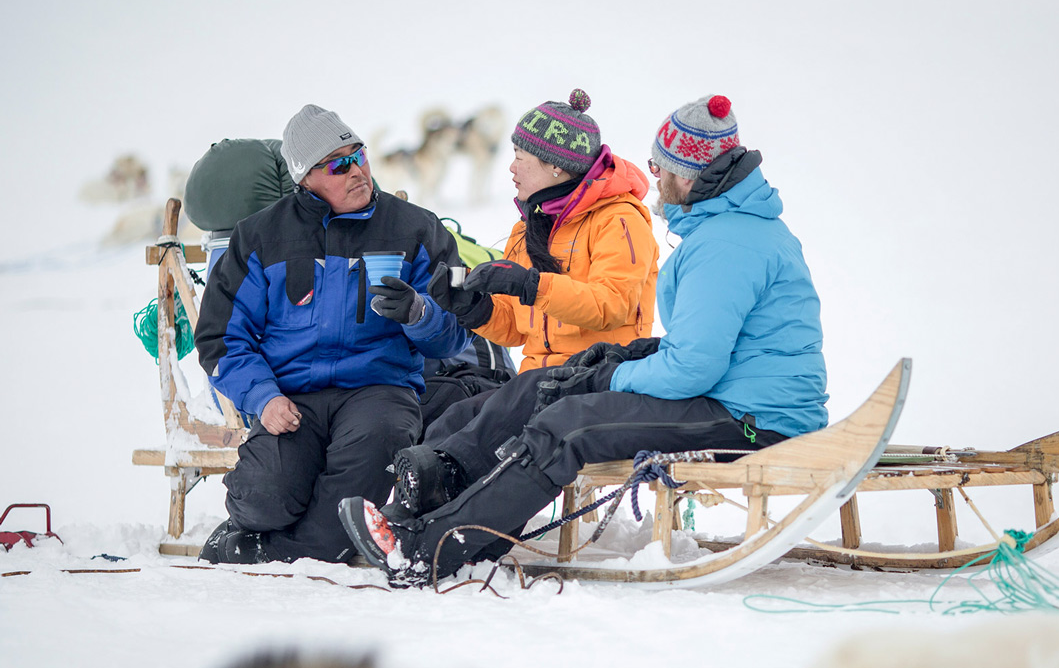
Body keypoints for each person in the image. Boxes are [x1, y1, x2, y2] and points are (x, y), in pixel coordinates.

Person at [338, 95, 829, 587]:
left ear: (688, 174)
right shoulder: (722, 233)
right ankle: (418, 516)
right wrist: (470, 305)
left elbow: (686, 364)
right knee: (521, 400)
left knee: (566, 427)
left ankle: (429, 550)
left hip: (754, 419)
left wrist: (610, 368)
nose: (653, 175)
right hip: (737, 400)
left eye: (661, 167)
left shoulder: (720, 244)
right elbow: (702, 350)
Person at [193, 104, 470, 565]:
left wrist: (421, 314)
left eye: (358, 154)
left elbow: (456, 334)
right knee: (263, 497)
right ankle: (271, 530)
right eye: (337, 164)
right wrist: (263, 397)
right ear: (304, 178)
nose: (357, 170)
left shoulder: (416, 229)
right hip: (290, 397)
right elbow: (221, 340)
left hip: (377, 391)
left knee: (363, 480)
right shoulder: (260, 237)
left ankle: (275, 551)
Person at [417, 88, 658, 450]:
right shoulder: (528, 227)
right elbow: (515, 329)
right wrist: (470, 306)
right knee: (448, 425)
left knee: (471, 442)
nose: (511, 168)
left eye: (520, 157)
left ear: (555, 165)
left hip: (599, 381)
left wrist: (530, 284)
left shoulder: (619, 220)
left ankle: (425, 506)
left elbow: (612, 305)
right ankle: (411, 505)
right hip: (537, 384)